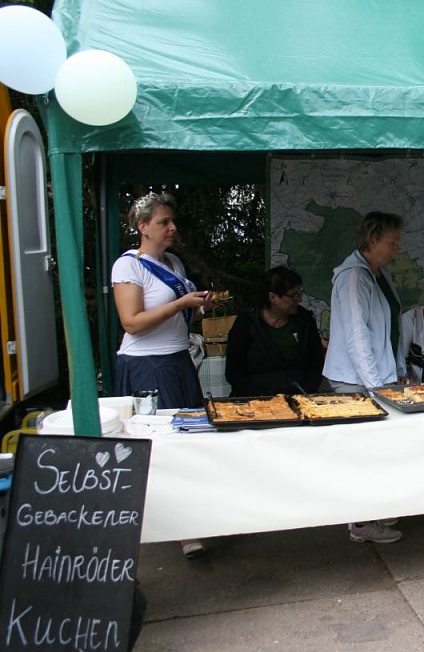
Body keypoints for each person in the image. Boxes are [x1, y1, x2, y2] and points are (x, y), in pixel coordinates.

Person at [111, 190, 213, 558]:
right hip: (147, 365)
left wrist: (196, 308)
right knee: (163, 446)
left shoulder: (174, 263)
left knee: (190, 440)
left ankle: (188, 520)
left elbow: (176, 318)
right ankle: (177, 530)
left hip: (177, 361)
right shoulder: (129, 266)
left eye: (172, 221)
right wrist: (181, 302)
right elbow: (132, 323)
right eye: (163, 222)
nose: (172, 227)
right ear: (143, 227)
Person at [323, 211, 406, 544]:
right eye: (392, 241)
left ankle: (373, 510)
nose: (397, 248)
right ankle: (360, 523)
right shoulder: (354, 277)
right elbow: (358, 337)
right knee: (361, 453)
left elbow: (391, 328)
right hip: (355, 380)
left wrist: (397, 370)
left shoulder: (377, 274)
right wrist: (376, 385)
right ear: (373, 240)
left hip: (376, 376)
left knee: (376, 450)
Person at [225, 266, 324, 396]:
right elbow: (234, 372)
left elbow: (316, 363)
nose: (299, 300)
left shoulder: (304, 320)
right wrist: (263, 398)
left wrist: (303, 393)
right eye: (294, 295)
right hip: (255, 399)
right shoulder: (247, 322)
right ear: (273, 297)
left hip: (300, 397)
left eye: (300, 294)